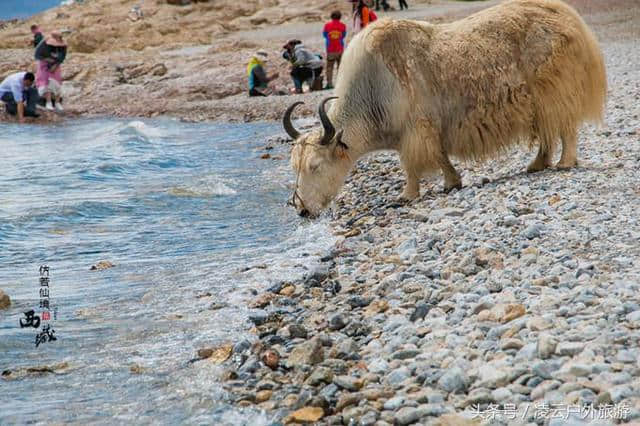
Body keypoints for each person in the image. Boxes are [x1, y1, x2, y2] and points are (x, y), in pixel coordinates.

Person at [35, 30, 67, 111]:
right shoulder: (44, 44)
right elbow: (37, 55)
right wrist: (48, 61)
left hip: (56, 65)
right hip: (44, 65)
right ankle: (48, 102)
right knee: (46, 83)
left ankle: (57, 103)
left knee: (57, 83)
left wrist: (55, 65)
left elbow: (62, 57)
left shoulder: (63, 45)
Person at [322, 11, 347, 90]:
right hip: (340, 48)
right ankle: (341, 83)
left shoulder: (327, 25)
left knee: (329, 67)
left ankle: (329, 84)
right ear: (340, 17)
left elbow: (324, 35)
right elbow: (343, 35)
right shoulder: (343, 26)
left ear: (331, 16)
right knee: (341, 67)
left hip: (330, 49)